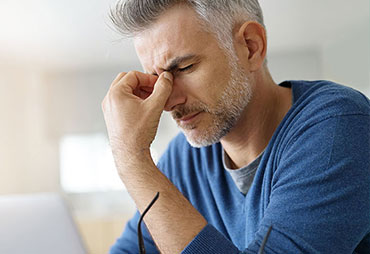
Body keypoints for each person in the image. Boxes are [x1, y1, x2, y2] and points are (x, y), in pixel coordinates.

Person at [101, 0, 370, 253]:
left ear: (251, 47)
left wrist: (131, 157)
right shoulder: (183, 160)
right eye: (156, 79)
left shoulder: (339, 126)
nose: (168, 101)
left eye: (184, 67)